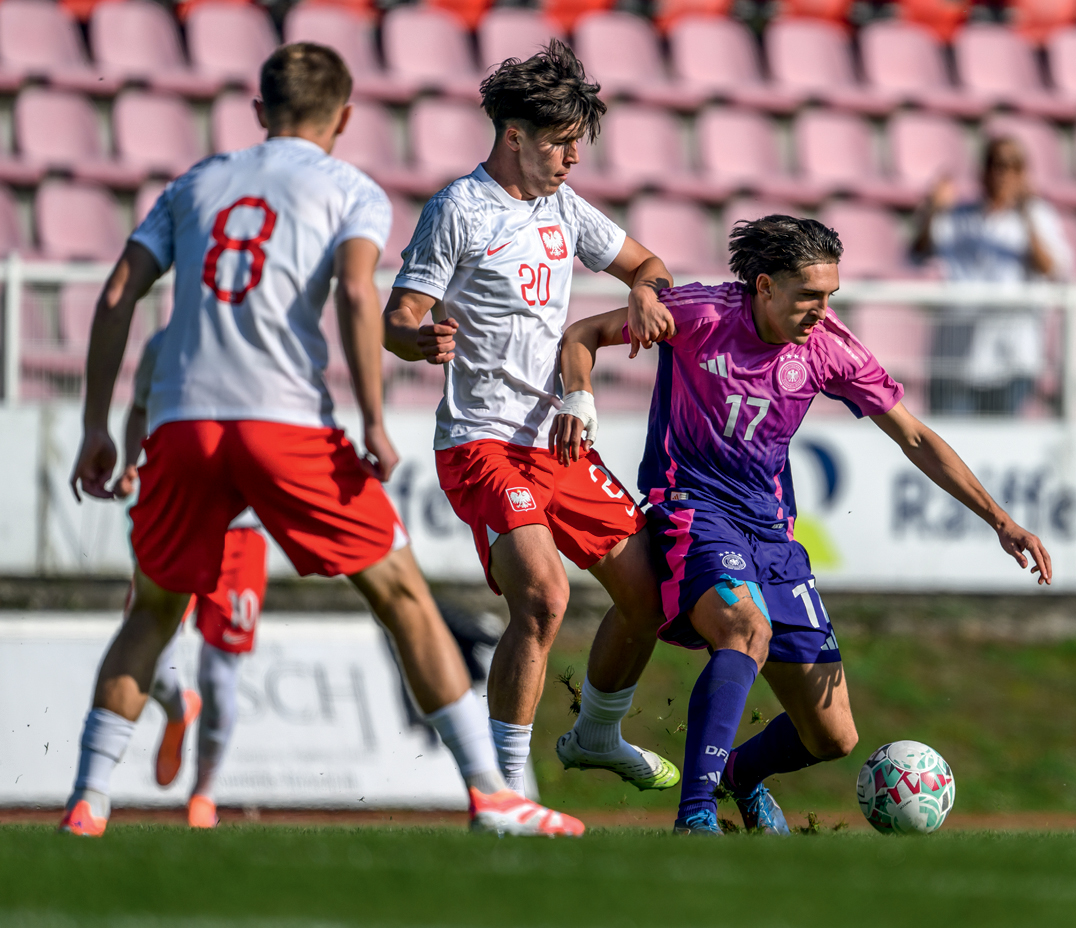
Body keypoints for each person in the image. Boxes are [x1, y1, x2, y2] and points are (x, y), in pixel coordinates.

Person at [62, 42, 579, 838]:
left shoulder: (194, 184)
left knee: (154, 612)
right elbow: (355, 296)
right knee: (403, 598)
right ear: (344, 117)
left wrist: (98, 425)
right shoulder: (351, 189)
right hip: (284, 424)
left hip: (181, 423)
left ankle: (87, 803)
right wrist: (372, 418)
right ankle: (492, 794)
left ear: (259, 111)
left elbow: (119, 292)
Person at [554, 215, 1054, 835]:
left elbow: (917, 437)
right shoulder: (703, 316)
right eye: (810, 296)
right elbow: (581, 334)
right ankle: (696, 816)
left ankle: (738, 775)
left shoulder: (827, 347)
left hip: (772, 533)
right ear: (763, 287)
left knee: (834, 735)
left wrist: (1001, 521)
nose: (823, 310)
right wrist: (579, 395)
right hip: (694, 510)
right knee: (744, 629)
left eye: (831, 296)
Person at [382, 42, 681, 796]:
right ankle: (506, 786)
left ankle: (597, 733)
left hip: (558, 443)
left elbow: (651, 266)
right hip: (482, 444)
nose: (574, 157)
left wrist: (646, 291)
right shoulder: (458, 209)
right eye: (560, 142)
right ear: (513, 134)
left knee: (652, 596)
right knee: (543, 598)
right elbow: (398, 316)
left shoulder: (562, 206)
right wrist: (417, 340)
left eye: (580, 141)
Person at [112, 327, 269, 829]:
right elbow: (138, 408)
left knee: (221, 675)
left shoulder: (258, 340)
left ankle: (204, 794)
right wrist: (130, 460)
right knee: (152, 662)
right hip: (172, 518)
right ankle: (180, 709)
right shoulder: (163, 345)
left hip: (240, 536)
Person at [910, 136, 1072, 416]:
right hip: (956, 357)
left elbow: (1054, 269)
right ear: (983, 171)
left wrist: (1026, 216)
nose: (1004, 174)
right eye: (998, 165)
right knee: (948, 451)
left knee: (1000, 448)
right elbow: (917, 255)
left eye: (1013, 167)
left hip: (1011, 357)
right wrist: (933, 210)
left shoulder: (1039, 218)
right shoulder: (958, 216)